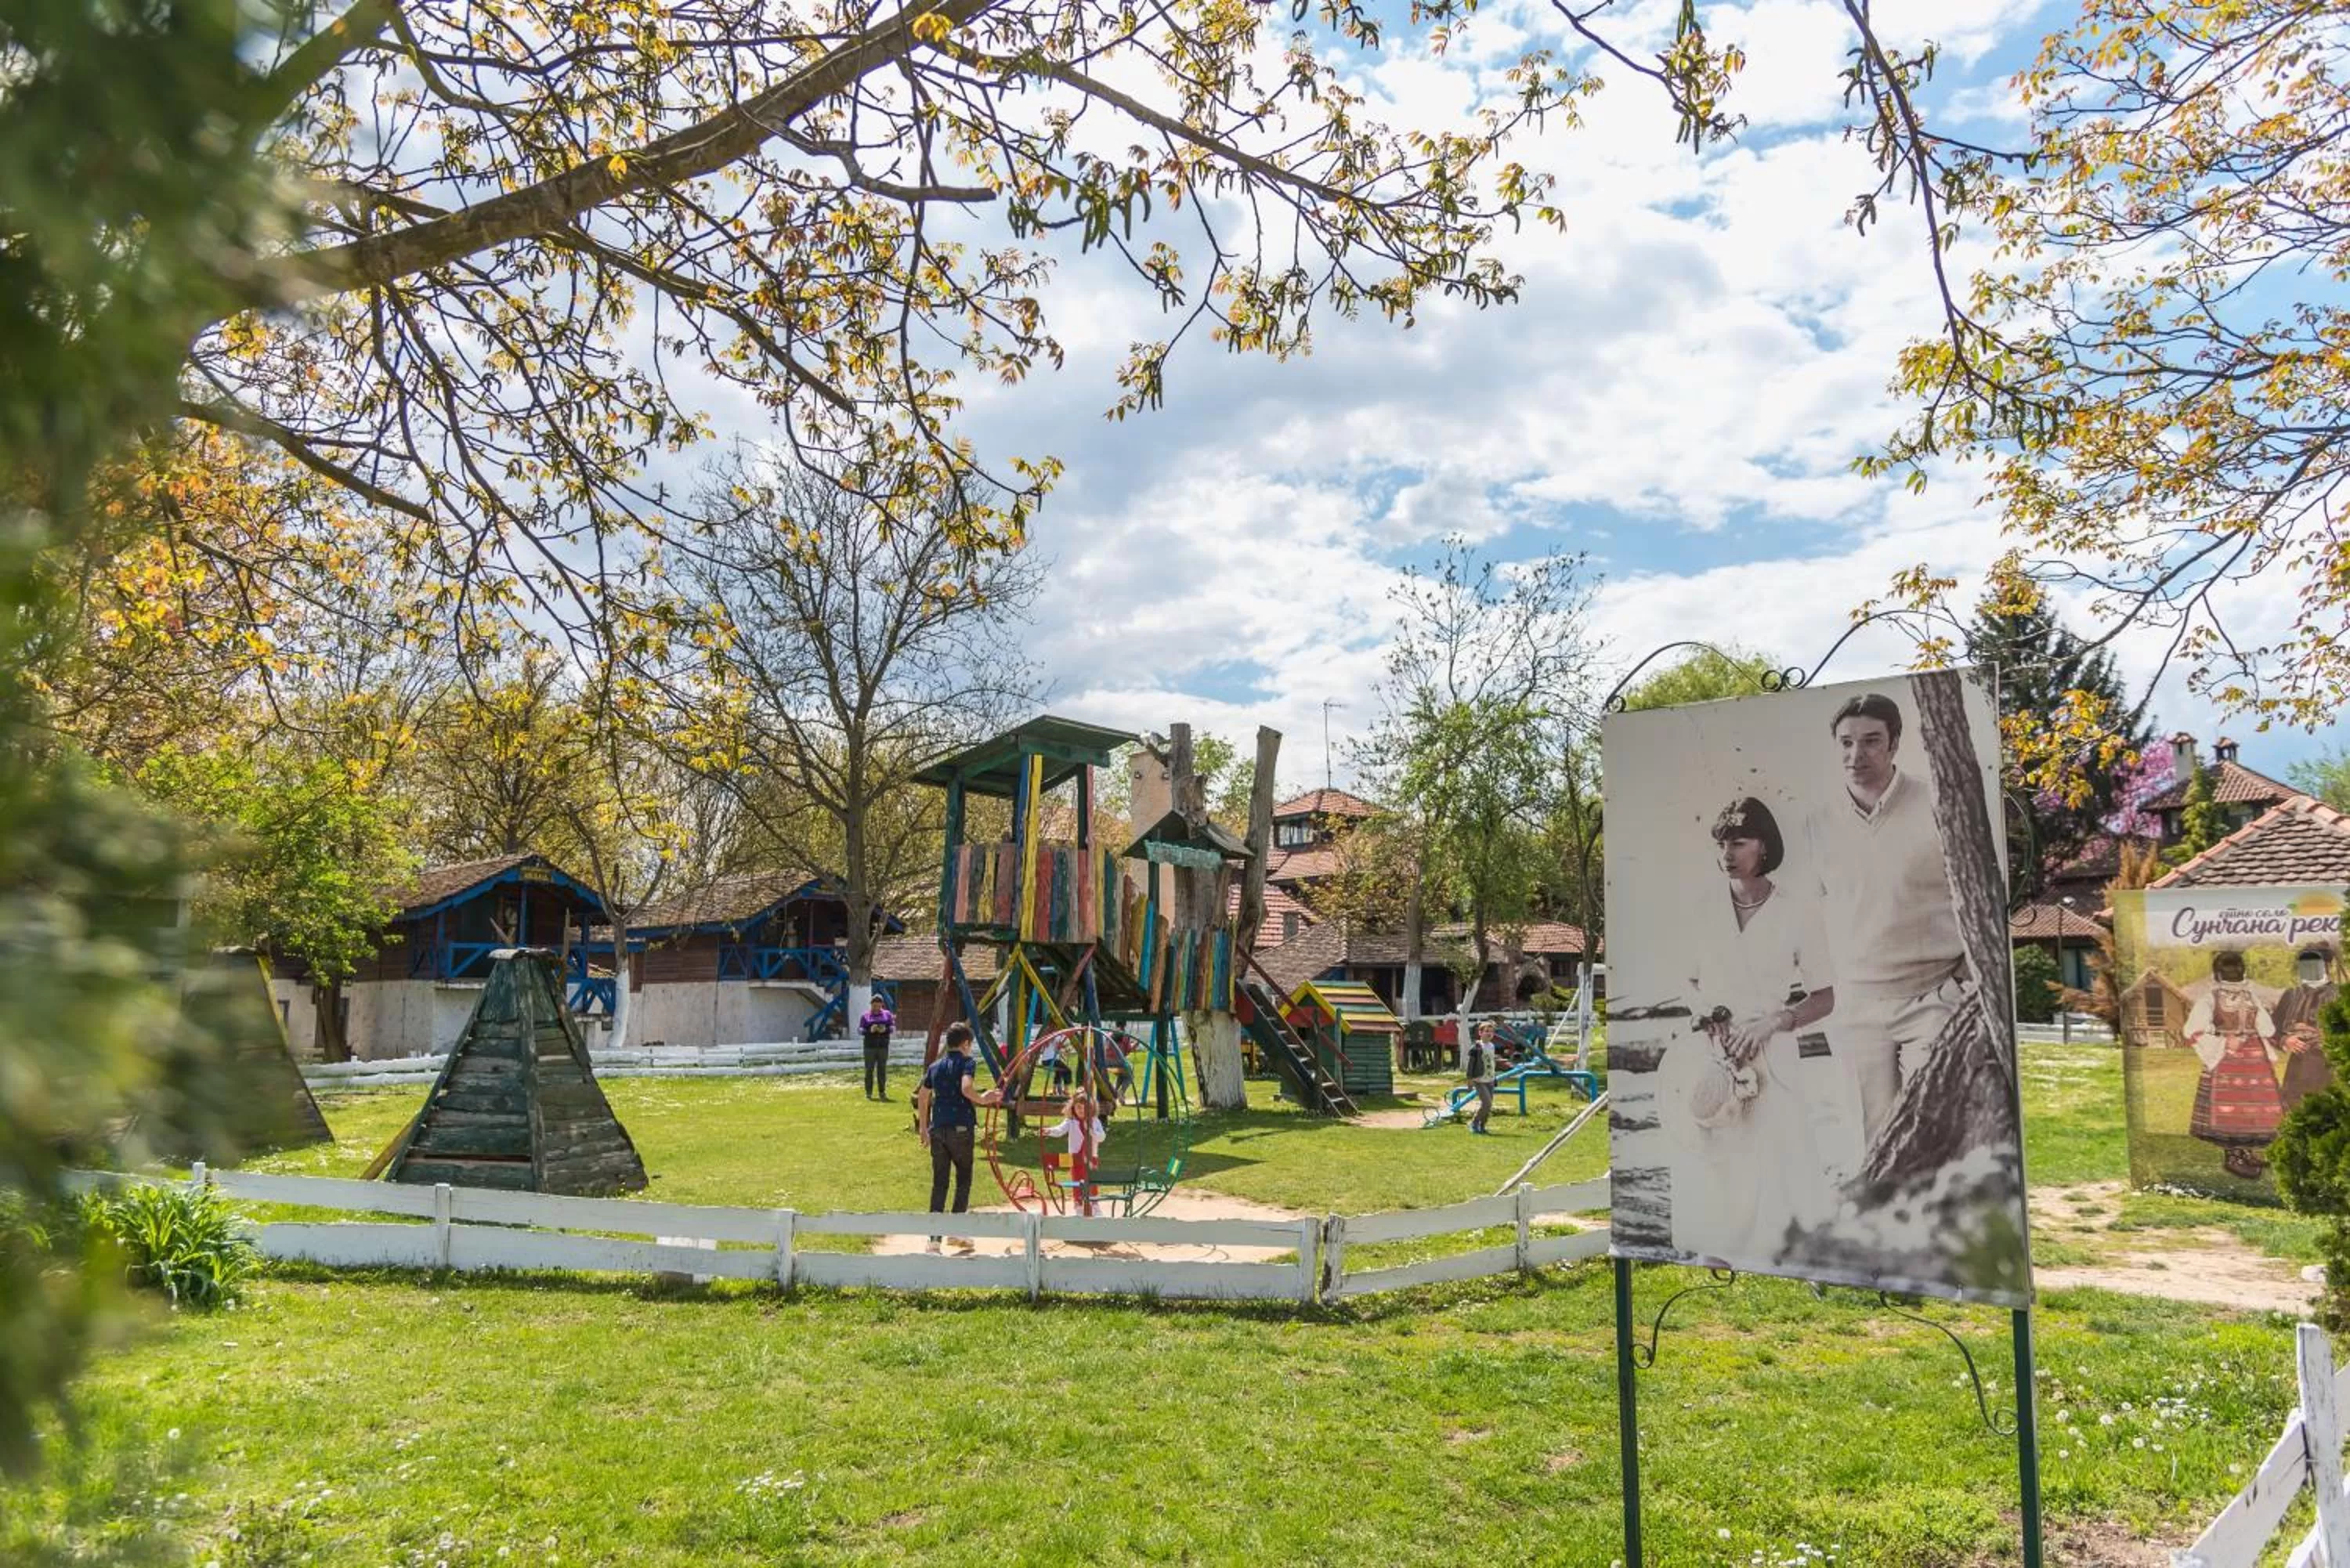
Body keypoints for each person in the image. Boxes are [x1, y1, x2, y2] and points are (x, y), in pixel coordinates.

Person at [1665, 796, 1839, 1263]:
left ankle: (1791, 1252)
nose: (1728, 853)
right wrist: (1706, 1015)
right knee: (1716, 1144)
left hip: (1772, 1051)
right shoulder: (1703, 908)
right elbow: (1688, 981)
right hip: (1714, 1049)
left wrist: (1775, 1022)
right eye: (1722, 843)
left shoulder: (1798, 910)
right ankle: (1717, 1248)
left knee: (1779, 1149)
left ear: (1763, 847)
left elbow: (1825, 996)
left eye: (1738, 842)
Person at [1802, 692, 1969, 1160]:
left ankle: (1934, 1231)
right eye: (1847, 743)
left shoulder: (1940, 807)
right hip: (1857, 1003)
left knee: (1932, 1131)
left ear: (1895, 743)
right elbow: (1811, 913)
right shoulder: (1817, 823)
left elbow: (1971, 895)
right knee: (1868, 1140)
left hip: (1933, 998)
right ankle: (1879, 1230)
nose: (1857, 755)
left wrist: (1961, 982)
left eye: (1872, 741)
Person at [2186, 949, 2284, 1180]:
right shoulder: (2210, 998)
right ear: (2219, 975)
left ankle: (2246, 1152)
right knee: (2230, 1106)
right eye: (2229, 971)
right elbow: (2192, 1031)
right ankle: (2233, 1155)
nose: (2234, 974)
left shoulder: (2250, 996)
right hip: (2226, 1059)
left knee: (2253, 1104)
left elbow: (2266, 1026)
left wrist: (2261, 1032)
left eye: (2236, 970)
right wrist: (2224, 1041)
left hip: (2253, 1057)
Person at [916, 1023, 997, 1252]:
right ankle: (957, 1230)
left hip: (938, 1129)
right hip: (961, 1129)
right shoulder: (967, 1063)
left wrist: (924, 1128)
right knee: (963, 1178)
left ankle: (933, 1240)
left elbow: (923, 1096)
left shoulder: (935, 1066)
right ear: (965, 1044)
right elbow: (966, 1088)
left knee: (940, 1182)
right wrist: (985, 1098)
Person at [2274, 947, 2341, 1112]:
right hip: (2298, 1065)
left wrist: (2328, 1038)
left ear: (2325, 966)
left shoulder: (2341, 995)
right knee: (2295, 1109)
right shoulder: (2292, 995)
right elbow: (2272, 1028)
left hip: (2330, 1065)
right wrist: (2286, 1040)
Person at [1044, 1086, 1109, 1216]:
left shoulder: (1095, 1122)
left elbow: (1101, 1137)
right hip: (1075, 1158)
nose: (1081, 1110)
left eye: (1085, 1108)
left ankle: (1094, 1204)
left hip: (1092, 1157)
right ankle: (1079, 1205)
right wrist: (1049, 1131)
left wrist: (1091, 1131)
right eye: (1078, 1107)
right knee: (1077, 1181)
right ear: (1073, 1107)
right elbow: (1060, 1130)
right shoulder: (1071, 1121)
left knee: (1092, 1181)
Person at [859, 997, 897, 1100]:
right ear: (871, 1005)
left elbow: (893, 1027)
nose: (876, 1008)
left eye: (879, 1006)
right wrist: (869, 1030)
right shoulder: (865, 1016)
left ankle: (882, 1092)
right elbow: (860, 1030)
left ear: (882, 1005)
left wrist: (886, 1029)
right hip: (869, 1047)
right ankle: (869, 1093)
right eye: (874, 1006)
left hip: (883, 1046)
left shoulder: (887, 1014)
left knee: (882, 1070)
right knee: (869, 1070)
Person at [1466, 1022, 1499, 1134]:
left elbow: (1492, 1063)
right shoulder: (1476, 1047)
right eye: (1486, 1031)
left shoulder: (1492, 1046)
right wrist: (1469, 1081)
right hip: (1479, 1080)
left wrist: (1495, 1078)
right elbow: (1471, 1065)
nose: (1489, 1033)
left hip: (1490, 1079)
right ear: (1480, 1033)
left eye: (1491, 1031)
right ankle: (1474, 1123)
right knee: (1487, 1103)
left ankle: (1482, 1126)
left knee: (1489, 1106)